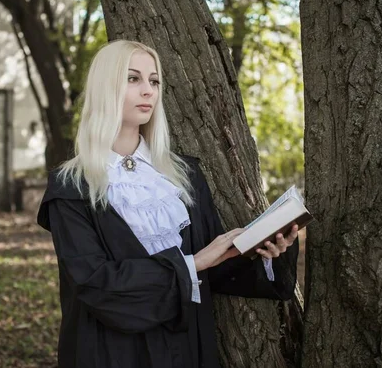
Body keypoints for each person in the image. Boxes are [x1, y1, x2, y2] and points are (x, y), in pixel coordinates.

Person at [37, 40, 299, 368]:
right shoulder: (70, 185)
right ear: (105, 87)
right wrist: (192, 264)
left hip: (186, 346)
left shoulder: (183, 175)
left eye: (154, 80)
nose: (148, 91)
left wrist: (267, 253)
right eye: (132, 79)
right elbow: (93, 282)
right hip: (109, 350)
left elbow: (216, 267)